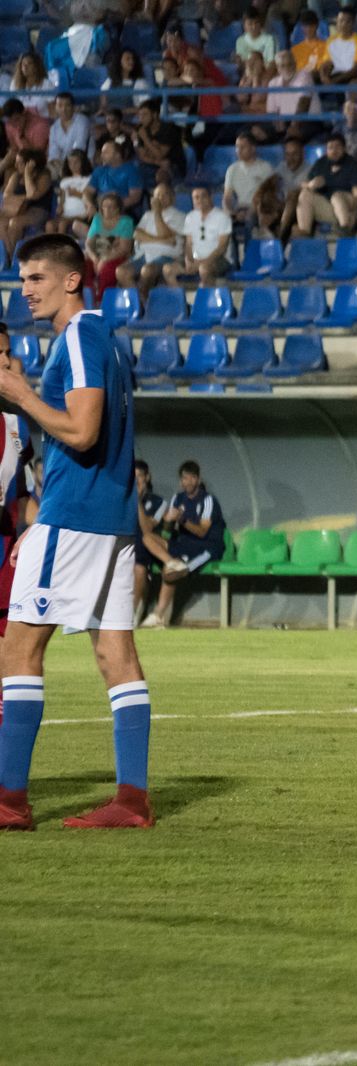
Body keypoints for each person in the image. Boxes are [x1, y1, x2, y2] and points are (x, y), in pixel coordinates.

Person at [0, 233, 155, 831]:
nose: (25, 290)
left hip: (75, 518)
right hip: (109, 520)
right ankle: (132, 801)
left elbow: (84, 432)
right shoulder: (105, 339)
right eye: (22, 279)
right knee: (115, 654)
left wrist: (21, 395)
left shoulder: (80, 336)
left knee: (18, 649)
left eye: (36, 277)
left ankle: (10, 800)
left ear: (71, 280)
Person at [145, 460, 226, 629]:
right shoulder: (178, 498)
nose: (187, 482)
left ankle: (158, 615)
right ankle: (171, 562)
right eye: (184, 478)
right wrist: (168, 521)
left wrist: (182, 519)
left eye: (191, 478)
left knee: (170, 573)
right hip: (183, 543)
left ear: (198, 479)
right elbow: (167, 531)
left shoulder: (208, 500)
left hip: (206, 547)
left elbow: (202, 532)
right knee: (147, 538)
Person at [0, 325, 33, 656]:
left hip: (4, 557)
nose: (7, 362)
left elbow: (25, 499)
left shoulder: (17, 427)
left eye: (8, 353)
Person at [130, 458, 185, 624]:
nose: (136, 481)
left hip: (146, 550)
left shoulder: (159, 502)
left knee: (139, 569)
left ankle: (132, 613)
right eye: (132, 477)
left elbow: (147, 528)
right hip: (124, 546)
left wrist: (137, 502)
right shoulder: (121, 500)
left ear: (147, 477)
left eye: (139, 476)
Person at [115, 179, 183, 297]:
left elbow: (165, 234)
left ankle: (143, 298)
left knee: (147, 271)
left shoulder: (179, 216)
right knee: (121, 271)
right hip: (143, 255)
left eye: (164, 194)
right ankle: (139, 302)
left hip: (166, 257)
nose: (160, 198)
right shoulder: (147, 215)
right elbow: (136, 234)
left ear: (173, 198)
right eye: (157, 195)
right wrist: (161, 240)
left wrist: (157, 213)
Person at [295, 133, 357, 236]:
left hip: (351, 208)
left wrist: (355, 216)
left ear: (344, 149)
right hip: (331, 208)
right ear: (326, 150)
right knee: (305, 194)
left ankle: (346, 228)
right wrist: (311, 184)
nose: (334, 151)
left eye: (337, 147)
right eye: (330, 148)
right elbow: (303, 184)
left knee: (336, 196)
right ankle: (304, 234)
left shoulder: (353, 165)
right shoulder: (321, 163)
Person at [163, 184, 231, 286]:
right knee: (167, 269)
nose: (200, 200)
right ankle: (180, 295)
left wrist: (202, 263)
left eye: (203, 196)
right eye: (196, 197)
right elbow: (188, 243)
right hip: (195, 259)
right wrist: (189, 261)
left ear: (210, 197)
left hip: (217, 259)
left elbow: (222, 247)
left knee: (204, 269)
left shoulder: (222, 217)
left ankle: (207, 295)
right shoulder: (190, 217)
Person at [0, 151, 53, 266]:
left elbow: (33, 194)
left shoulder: (44, 175)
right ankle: (9, 255)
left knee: (15, 223)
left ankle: (15, 259)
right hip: (18, 210)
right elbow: (6, 195)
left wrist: (27, 173)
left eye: (19, 163)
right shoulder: (15, 176)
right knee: (1, 223)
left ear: (30, 163)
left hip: (38, 210)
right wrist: (25, 197)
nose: (16, 165)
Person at [259, 48, 315, 145]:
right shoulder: (273, 83)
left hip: (307, 121)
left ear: (295, 64)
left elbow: (304, 102)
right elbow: (272, 111)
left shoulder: (304, 75)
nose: (287, 68)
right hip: (284, 122)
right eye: (282, 65)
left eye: (290, 64)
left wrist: (294, 126)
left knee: (291, 138)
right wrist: (277, 123)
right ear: (278, 68)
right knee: (256, 132)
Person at [83, 190, 132, 299]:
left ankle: (102, 299)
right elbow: (88, 244)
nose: (107, 209)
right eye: (104, 206)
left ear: (118, 209)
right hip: (97, 254)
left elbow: (124, 248)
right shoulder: (97, 219)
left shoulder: (126, 221)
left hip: (115, 256)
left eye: (111, 207)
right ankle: (89, 298)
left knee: (107, 269)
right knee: (82, 265)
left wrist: (104, 259)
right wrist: (95, 258)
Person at [223, 133, 275, 236]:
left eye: (243, 147)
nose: (239, 151)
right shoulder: (232, 169)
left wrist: (252, 210)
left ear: (253, 148)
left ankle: (249, 246)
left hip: (258, 209)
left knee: (250, 219)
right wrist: (231, 212)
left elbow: (270, 196)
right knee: (223, 221)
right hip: (239, 207)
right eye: (237, 147)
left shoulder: (265, 168)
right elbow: (227, 197)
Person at [131, 100, 183, 188]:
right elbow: (142, 156)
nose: (141, 118)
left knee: (161, 175)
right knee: (134, 172)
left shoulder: (168, 130)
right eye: (139, 115)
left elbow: (160, 155)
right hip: (153, 164)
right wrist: (156, 162)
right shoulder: (141, 129)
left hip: (172, 166)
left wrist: (145, 138)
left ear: (155, 115)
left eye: (145, 115)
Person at [268, 137, 312, 240]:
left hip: (300, 212)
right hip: (282, 209)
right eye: (287, 154)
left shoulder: (311, 170)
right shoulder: (281, 168)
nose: (291, 158)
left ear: (302, 154)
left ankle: (281, 238)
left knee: (293, 196)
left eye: (295, 154)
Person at [88, 138, 143, 215]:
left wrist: (111, 208)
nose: (101, 155)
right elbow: (87, 192)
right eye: (102, 152)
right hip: (99, 210)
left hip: (121, 211)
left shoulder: (131, 170)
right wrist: (90, 205)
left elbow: (135, 197)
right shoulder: (99, 170)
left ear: (117, 155)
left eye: (106, 153)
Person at [320, 6, 357, 85]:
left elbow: (356, 70)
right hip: (336, 76)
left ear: (354, 23)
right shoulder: (331, 40)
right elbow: (327, 63)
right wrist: (323, 76)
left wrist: (335, 81)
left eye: (348, 22)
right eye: (341, 21)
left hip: (354, 77)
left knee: (353, 84)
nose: (343, 24)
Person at [50, 147, 94, 236]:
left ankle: (61, 244)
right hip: (66, 214)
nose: (73, 165)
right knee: (49, 225)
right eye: (70, 162)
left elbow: (91, 197)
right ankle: (50, 244)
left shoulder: (89, 179)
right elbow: (62, 197)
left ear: (83, 163)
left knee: (62, 224)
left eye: (76, 162)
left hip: (81, 214)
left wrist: (77, 194)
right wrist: (60, 206)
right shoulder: (64, 181)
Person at [46, 93, 91, 176]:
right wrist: (55, 161)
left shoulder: (82, 121)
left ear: (73, 107)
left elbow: (79, 148)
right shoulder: (54, 127)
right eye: (60, 105)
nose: (64, 109)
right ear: (55, 107)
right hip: (61, 164)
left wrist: (65, 165)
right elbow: (53, 150)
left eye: (67, 105)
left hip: (81, 162)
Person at [290, 9, 331, 78]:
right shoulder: (295, 49)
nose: (308, 29)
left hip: (317, 78)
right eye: (305, 26)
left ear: (317, 26)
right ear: (301, 27)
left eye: (312, 26)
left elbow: (325, 67)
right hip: (298, 79)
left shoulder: (326, 46)